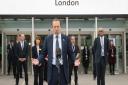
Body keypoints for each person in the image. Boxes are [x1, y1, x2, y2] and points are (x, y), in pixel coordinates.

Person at [32, 19, 72, 85]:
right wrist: (38, 60)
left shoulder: (66, 38)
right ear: (52, 28)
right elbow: (43, 53)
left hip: (63, 69)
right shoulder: (48, 39)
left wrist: (74, 60)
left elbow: (70, 53)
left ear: (60, 27)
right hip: (52, 69)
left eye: (58, 26)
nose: (56, 28)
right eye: (54, 27)